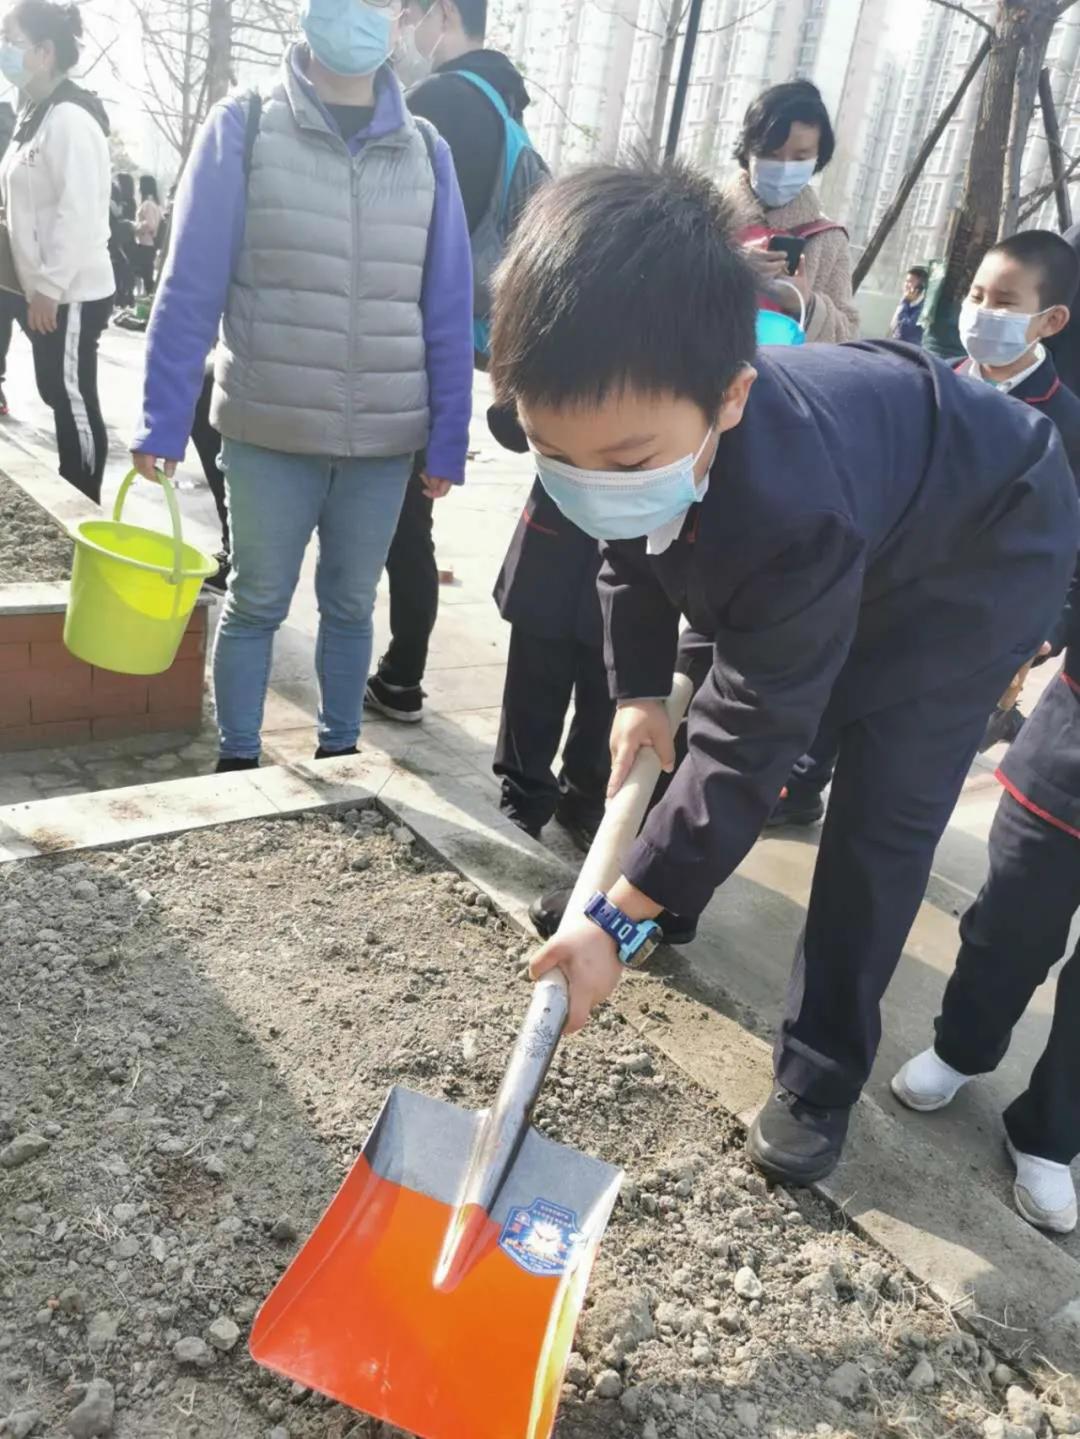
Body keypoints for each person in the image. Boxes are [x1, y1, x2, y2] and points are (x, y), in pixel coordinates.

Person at [489, 162, 1076, 1187]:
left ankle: (818, 1073)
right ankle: (661, 894)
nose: (592, 482)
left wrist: (613, 922)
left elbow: (747, 738)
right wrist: (635, 694)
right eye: (552, 451)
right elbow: (623, 539)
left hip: (982, 544)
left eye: (624, 463)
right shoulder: (634, 444)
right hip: (868, 499)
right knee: (718, 697)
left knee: (877, 810)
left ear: (729, 396)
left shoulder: (788, 510)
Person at [132, 0, 474, 772]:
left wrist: (447, 437)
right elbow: (190, 285)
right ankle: (239, 761)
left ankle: (339, 754)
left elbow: (448, 306)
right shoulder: (246, 124)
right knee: (257, 602)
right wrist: (161, 419)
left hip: (382, 439)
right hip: (267, 430)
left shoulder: (426, 151)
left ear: (399, 18)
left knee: (352, 608)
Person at [769, 229, 1080, 826]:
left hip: (965, 627)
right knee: (827, 700)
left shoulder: (1066, 425)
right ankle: (800, 786)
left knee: (889, 790)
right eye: (977, 294)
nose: (983, 312)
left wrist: (1047, 629)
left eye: (1006, 303)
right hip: (880, 589)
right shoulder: (927, 382)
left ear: (1051, 320)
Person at [364, 0, 535, 724]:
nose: (398, 28)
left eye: (405, 11)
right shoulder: (502, 104)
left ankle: (400, 673)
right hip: (451, 339)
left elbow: (401, 232)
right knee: (409, 520)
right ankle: (401, 673)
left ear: (440, 13)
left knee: (393, 520)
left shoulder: (441, 102)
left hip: (403, 339)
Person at [0, 0, 114, 503]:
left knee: (71, 398)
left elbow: (80, 211)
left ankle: (83, 499)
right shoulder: (33, 112)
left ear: (44, 52)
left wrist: (48, 287)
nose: (3, 49)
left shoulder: (69, 117)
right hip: (43, 286)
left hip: (70, 291)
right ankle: (76, 494)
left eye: (11, 39)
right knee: (55, 390)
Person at [488, 405, 613, 851]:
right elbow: (507, 425)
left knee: (611, 685)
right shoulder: (562, 337)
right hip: (557, 525)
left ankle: (584, 797)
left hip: (633, 529)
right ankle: (524, 795)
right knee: (535, 674)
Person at [725, 80, 859, 344]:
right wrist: (726, 265)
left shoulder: (829, 240)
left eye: (800, 157)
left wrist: (805, 303)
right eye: (772, 154)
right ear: (748, 150)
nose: (785, 167)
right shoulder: (704, 215)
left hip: (780, 380)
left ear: (818, 158)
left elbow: (848, 339)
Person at [109, 173, 136, 310]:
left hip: (121, 241)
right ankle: (121, 297)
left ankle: (123, 297)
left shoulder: (127, 203)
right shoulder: (124, 201)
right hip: (120, 240)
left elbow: (120, 216)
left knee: (121, 269)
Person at [133, 174, 162, 296]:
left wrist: (136, 227)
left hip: (145, 244)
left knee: (146, 277)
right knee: (146, 275)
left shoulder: (148, 205)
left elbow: (151, 224)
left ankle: (149, 299)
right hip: (148, 245)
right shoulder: (153, 204)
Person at [890, 266, 928, 345]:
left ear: (920, 287)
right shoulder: (908, 304)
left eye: (910, 282)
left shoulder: (922, 308)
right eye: (906, 281)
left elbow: (903, 330)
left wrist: (905, 301)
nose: (906, 285)